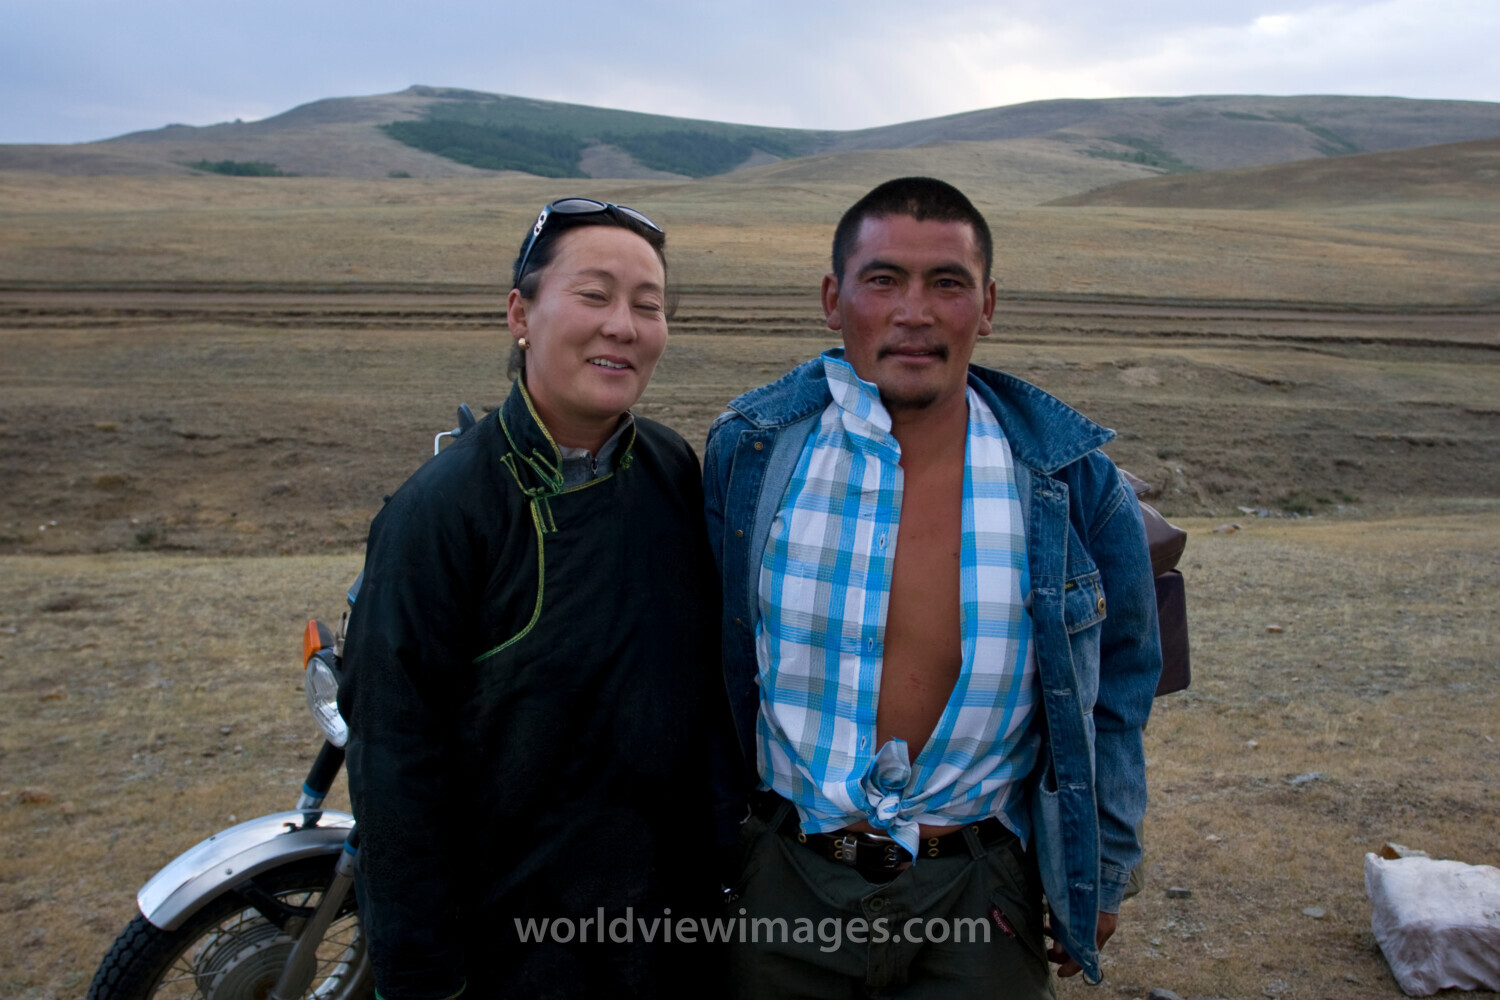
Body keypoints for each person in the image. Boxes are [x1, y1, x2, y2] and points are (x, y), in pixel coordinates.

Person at [702, 177, 1162, 997]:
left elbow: (1119, 686)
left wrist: (1106, 864)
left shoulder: (1072, 483)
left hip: (980, 895)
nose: (914, 310)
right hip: (784, 883)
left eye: (946, 283)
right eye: (883, 280)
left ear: (985, 306)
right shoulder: (752, 456)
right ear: (832, 298)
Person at [341, 198, 722, 999]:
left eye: (648, 306)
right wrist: (421, 980)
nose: (624, 325)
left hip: (667, 933)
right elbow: (395, 772)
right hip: (514, 954)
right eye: (594, 295)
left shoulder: (670, 469)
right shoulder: (440, 514)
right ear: (521, 312)